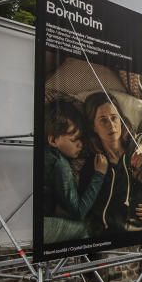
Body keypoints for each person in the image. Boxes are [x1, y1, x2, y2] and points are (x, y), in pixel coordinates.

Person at [81, 92, 142, 235]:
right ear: (93, 126)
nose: (111, 125)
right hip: (114, 236)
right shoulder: (93, 165)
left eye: (114, 118)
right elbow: (86, 209)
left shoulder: (141, 144)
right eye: (103, 120)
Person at [43, 99, 106, 243]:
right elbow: (79, 212)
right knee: (87, 228)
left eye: (81, 138)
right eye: (74, 139)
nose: (81, 144)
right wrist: (99, 175)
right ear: (52, 140)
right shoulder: (59, 163)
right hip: (40, 224)